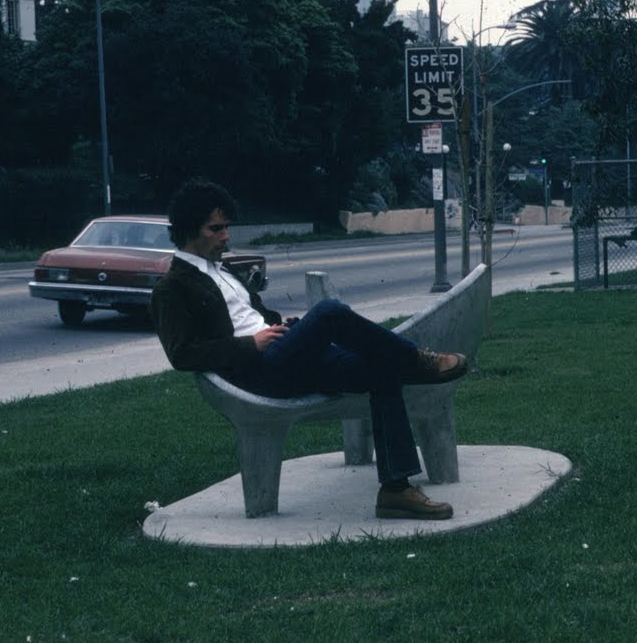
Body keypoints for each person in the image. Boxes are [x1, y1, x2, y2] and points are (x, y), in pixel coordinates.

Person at [152, 178, 468, 520]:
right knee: (329, 312)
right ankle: (418, 360)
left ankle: (396, 491)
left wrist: (284, 327)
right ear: (189, 230)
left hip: (284, 354)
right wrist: (250, 344)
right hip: (257, 373)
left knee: (381, 366)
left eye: (226, 227)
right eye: (216, 229)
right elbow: (182, 353)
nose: (226, 236)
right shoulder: (172, 287)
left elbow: (253, 317)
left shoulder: (224, 270)